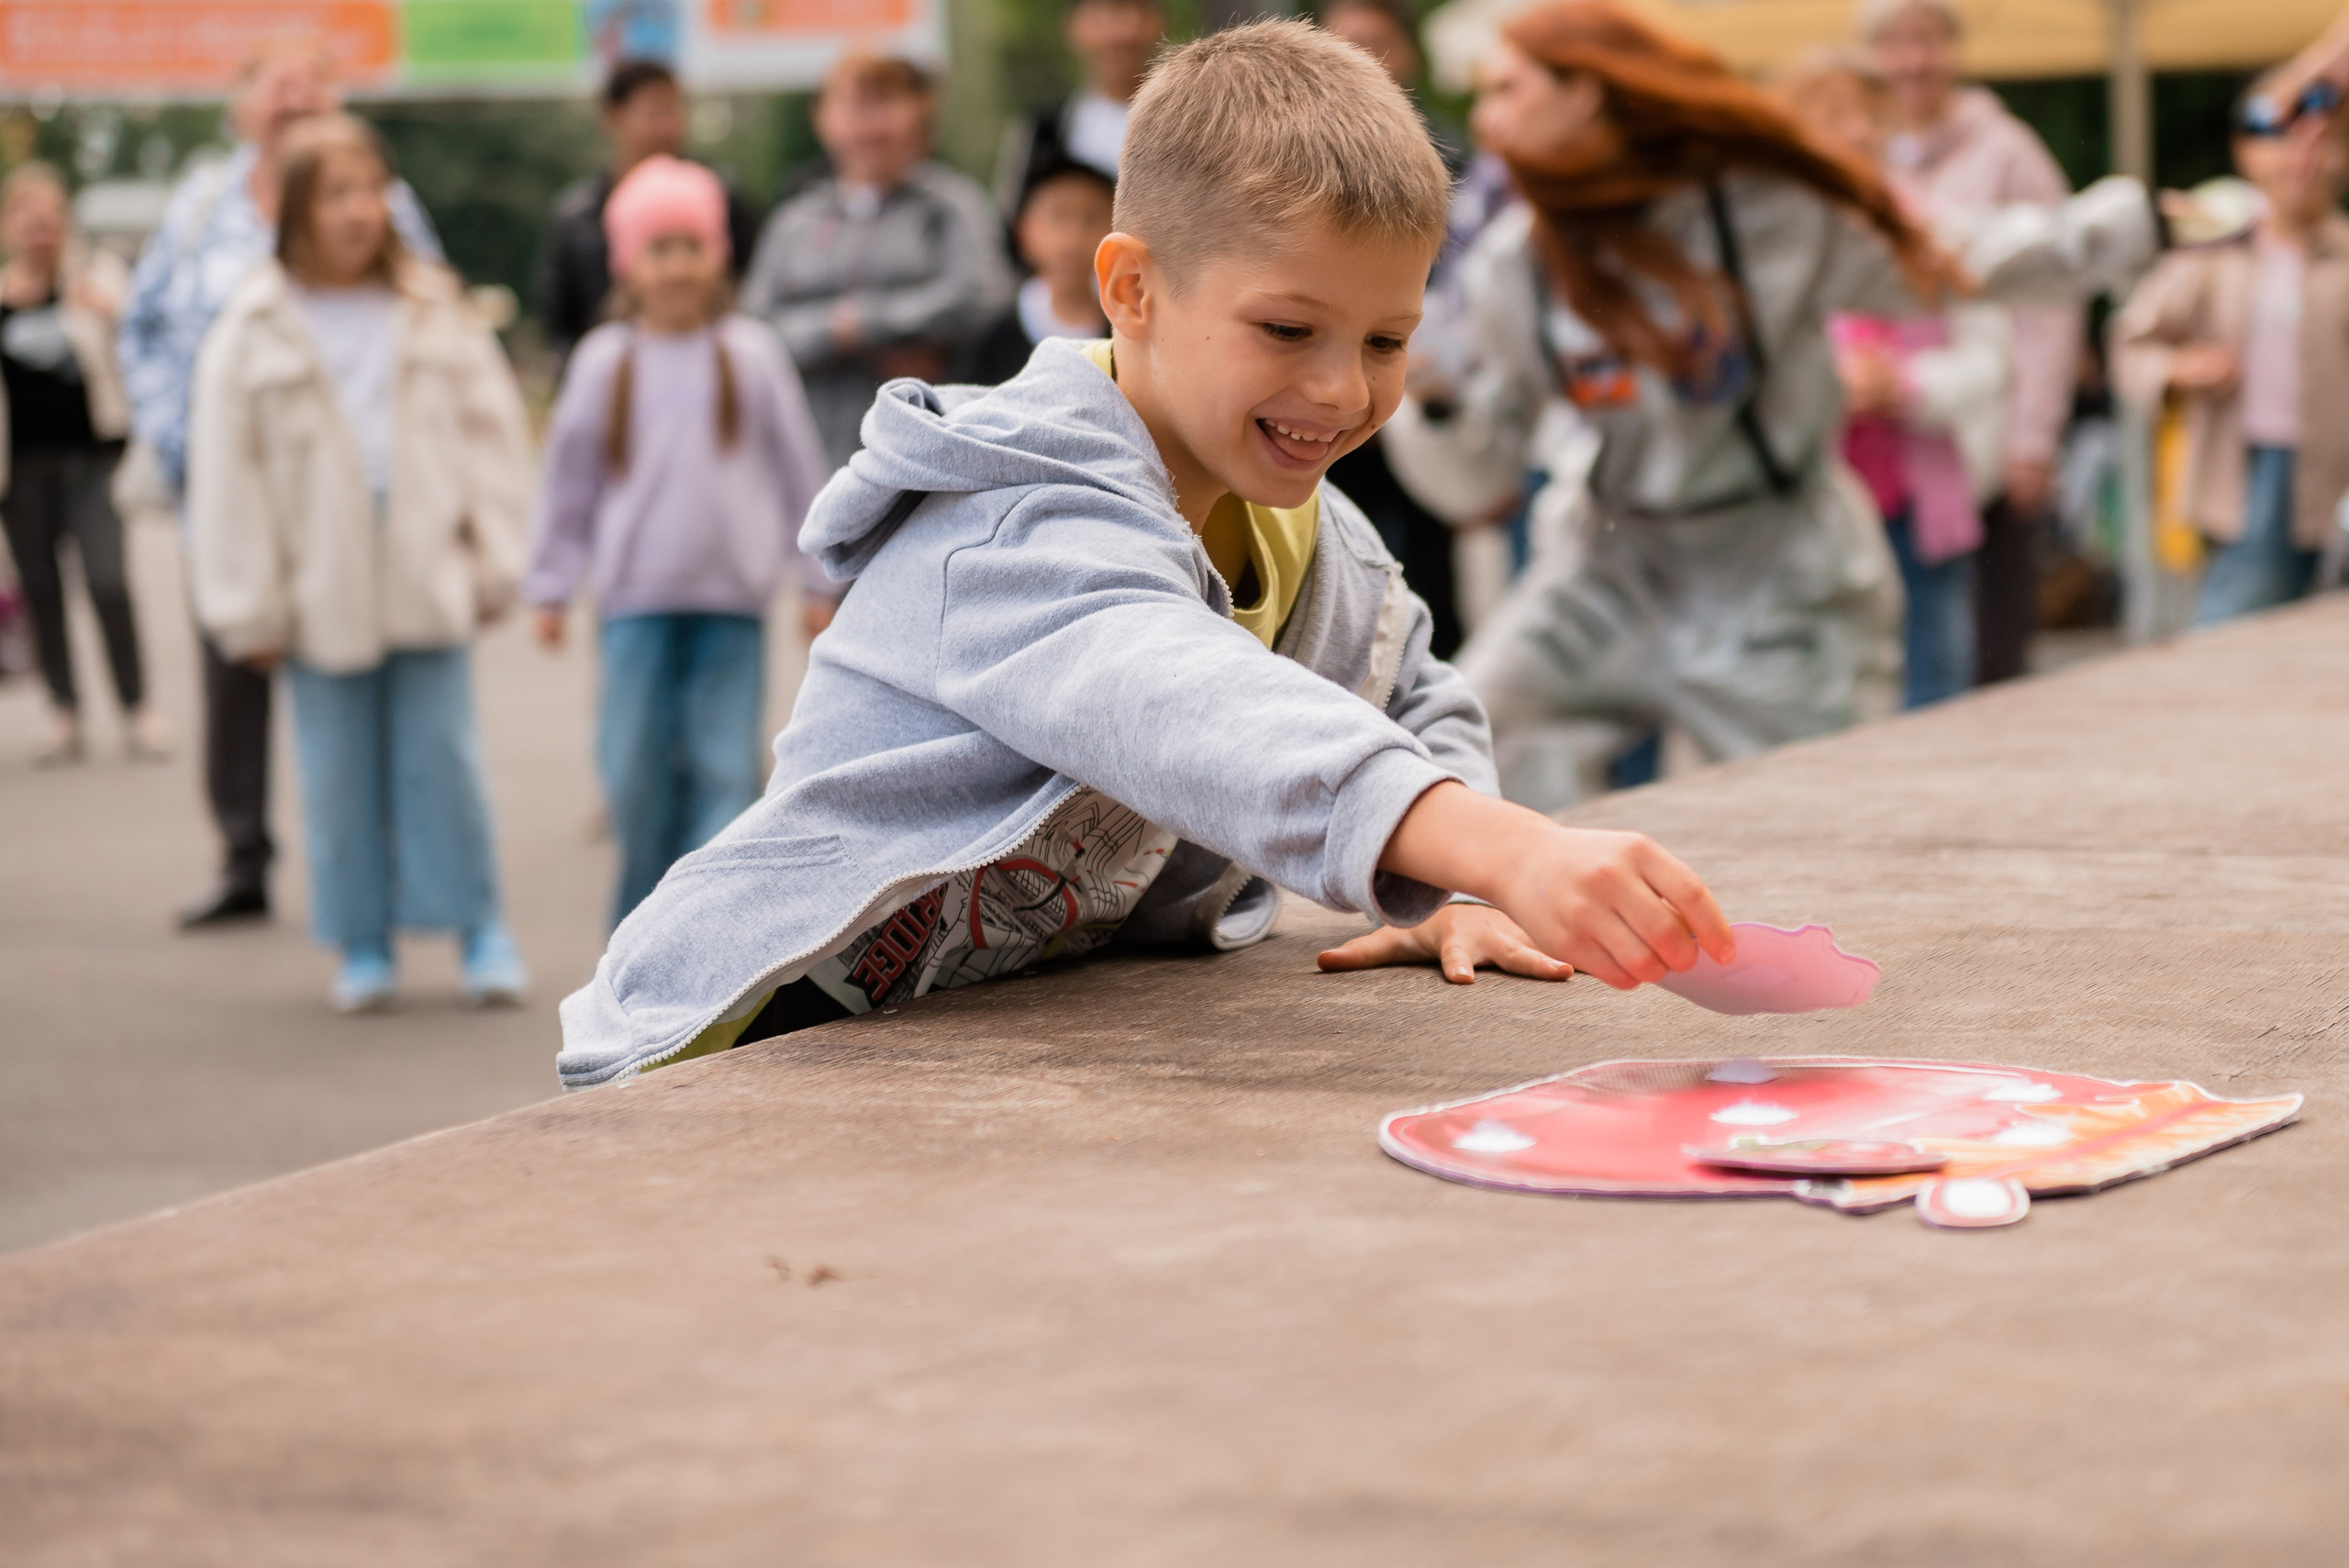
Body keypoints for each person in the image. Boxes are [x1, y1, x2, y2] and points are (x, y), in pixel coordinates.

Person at [552, 21, 1738, 1091]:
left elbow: (1409, 686)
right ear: (1130, 289)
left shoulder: (1309, 529)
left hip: (953, 1064)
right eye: (1288, 328)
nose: (1341, 388)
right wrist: (1516, 851)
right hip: (737, 1046)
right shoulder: (1011, 520)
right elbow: (1186, 702)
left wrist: (1457, 888)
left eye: (1386, 339)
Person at [1380, 1, 2154, 812]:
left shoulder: (1759, 214)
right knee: (1477, 742)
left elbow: (1954, 255)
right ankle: (1553, 888)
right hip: (1612, 567)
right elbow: (1480, 474)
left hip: (1780, 578)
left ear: (1586, 93)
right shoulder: (1519, 265)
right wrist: (1433, 405)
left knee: (1819, 817)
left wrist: (2128, 227)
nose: (1487, 117)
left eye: (1508, 88)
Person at [185, 115, 530, 1014]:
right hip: (317, 572)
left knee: (442, 761)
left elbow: (490, 436)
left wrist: (495, 560)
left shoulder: (432, 306)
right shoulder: (252, 324)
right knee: (335, 773)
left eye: (371, 190)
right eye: (335, 194)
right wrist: (249, 607)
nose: (356, 212)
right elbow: (228, 478)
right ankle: (362, 939)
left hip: (423, 553)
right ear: (296, 210)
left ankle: (479, 928)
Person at [117, 40, 441, 929]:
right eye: (277, 87)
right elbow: (142, 327)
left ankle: (385, 865)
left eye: (313, 87)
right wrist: (179, 441)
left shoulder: (387, 199)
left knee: (374, 676)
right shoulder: (199, 204)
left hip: (356, 487)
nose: (295, 100)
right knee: (234, 668)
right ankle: (243, 856)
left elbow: (430, 308)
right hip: (231, 485)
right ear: (240, 108)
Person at [526, 156, 831, 927]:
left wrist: (817, 576)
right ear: (628, 263)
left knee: (726, 774)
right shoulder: (604, 361)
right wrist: (551, 583)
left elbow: (799, 469)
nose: (677, 267)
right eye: (658, 249)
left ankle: (712, 933)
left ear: (717, 255)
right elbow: (569, 482)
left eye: (692, 246)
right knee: (633, 772)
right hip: (633, 608)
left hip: (731, 606)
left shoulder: (752, 353)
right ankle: (637, 936)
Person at [1781, 50, 2009, 707]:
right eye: (1832, 116)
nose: (1856, 131)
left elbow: (1992, 358)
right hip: (1814, 507)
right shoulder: (1774, 244)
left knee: (1933, 680)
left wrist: (1907, 385)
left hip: (1920, 503)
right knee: (1821, 692)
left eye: (1867, 115)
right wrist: (1828, 387)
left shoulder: (1935, 231)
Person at [1863, 0, 2074, 688]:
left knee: (1988, 645)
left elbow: (2052, 298)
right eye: (1896, 44)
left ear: (1953, 48)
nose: (1912, 61)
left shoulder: (2006, 150)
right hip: (1892, 452)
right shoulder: (1865, 152)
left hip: (1986, 432)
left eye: (1926, 41)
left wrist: (2032, 436)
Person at [2112, 88, 2349, 624]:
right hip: (2247, 471)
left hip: (2336, 475)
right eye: (2285, 141)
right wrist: (2182, 369)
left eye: (2323, 142)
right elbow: (2131, 342)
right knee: (2240, 618)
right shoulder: (2216, 249)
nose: (2304, 158)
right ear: (2248, 153)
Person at [741, 54, 1014, 473]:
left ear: (918, 113)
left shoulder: (951, 207)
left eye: (884, 103)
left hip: (932, 451)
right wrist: (838, 331)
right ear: (822, 118)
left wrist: (869, 322)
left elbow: (984, 296)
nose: (868, 125)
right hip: (814, 454)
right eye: (853, 105)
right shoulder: (795, 221)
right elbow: (756, 329)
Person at [0, 163, 169, 764]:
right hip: (19, 470)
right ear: (8, 226)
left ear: (64, 224)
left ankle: (137, 706)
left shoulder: (95, 282)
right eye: (27, 220)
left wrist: (106, 310)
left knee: (107, 582)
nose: (39, 231)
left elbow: (145, 343)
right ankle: (63, 711)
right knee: (41, 590)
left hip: (93, 461)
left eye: (48, 220)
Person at [1318, 0, 1469, 659]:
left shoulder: (1452, 156)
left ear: (1406, 52)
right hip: (1323, 382)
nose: (1365, 62)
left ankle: (1427, 676)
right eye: (1346, 44)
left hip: (1419, 380)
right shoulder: (1289, 156)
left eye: (1376, 43)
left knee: (1431, 564)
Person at [535, 59, 763, 373]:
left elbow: (752, 285)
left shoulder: (720, 197)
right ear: (613, 117)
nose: (668, 127)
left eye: (675, 111)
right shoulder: (578, 217)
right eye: (655, 112)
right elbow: (560, 324)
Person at [994, 0, 1165, 213]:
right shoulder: (1041, 134)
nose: (1120, 33)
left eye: (1135, 11)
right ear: (1073, 26)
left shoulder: (1187, 123)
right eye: (1104, 14)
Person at [958, 157, 1114, 385]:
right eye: (1058, 217)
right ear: (1024, 230)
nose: (1073, 238)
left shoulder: (1126, 332)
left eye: (1092, 219)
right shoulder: (992, 335)